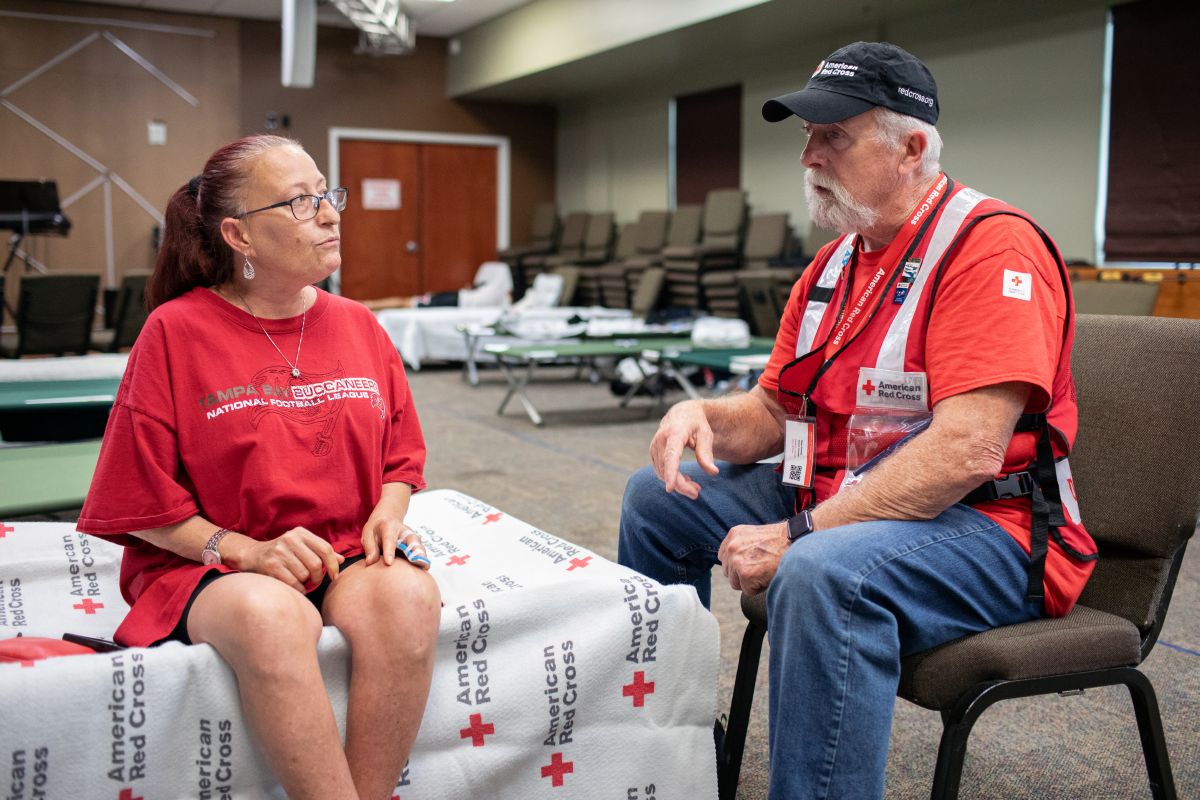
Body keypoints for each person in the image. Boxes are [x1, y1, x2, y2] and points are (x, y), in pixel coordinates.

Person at [617, 42, 1098, 800]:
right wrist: (700, 411)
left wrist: (800, 533)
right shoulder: (837, 263)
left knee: (818, 573)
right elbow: (774, 410)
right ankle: (666, 751)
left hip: (993, 530)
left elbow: (969, 451)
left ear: (911, 149)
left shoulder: (990, 247)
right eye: (807, 136)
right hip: (851, 495)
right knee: (659, 497)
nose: (809, 154)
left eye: (833, 135)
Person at [77, 134, 440, 800]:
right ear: (238, 235)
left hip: (341, 554)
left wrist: (388, 513)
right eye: (303, 202)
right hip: (213, 563)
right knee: (275, 617)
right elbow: (140, 500)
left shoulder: (360, 325)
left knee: (410, 597)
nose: (330, 214)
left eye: (329, 195)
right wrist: (245, 550)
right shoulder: (174, 332)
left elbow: (401, 457)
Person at [361, 261, 513, 310]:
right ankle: (369, 305)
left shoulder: (489, 289)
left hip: (455, 296)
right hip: (453, 300)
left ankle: (370, 304)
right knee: (407, 302)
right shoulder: (496, 289)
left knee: (407, 301)